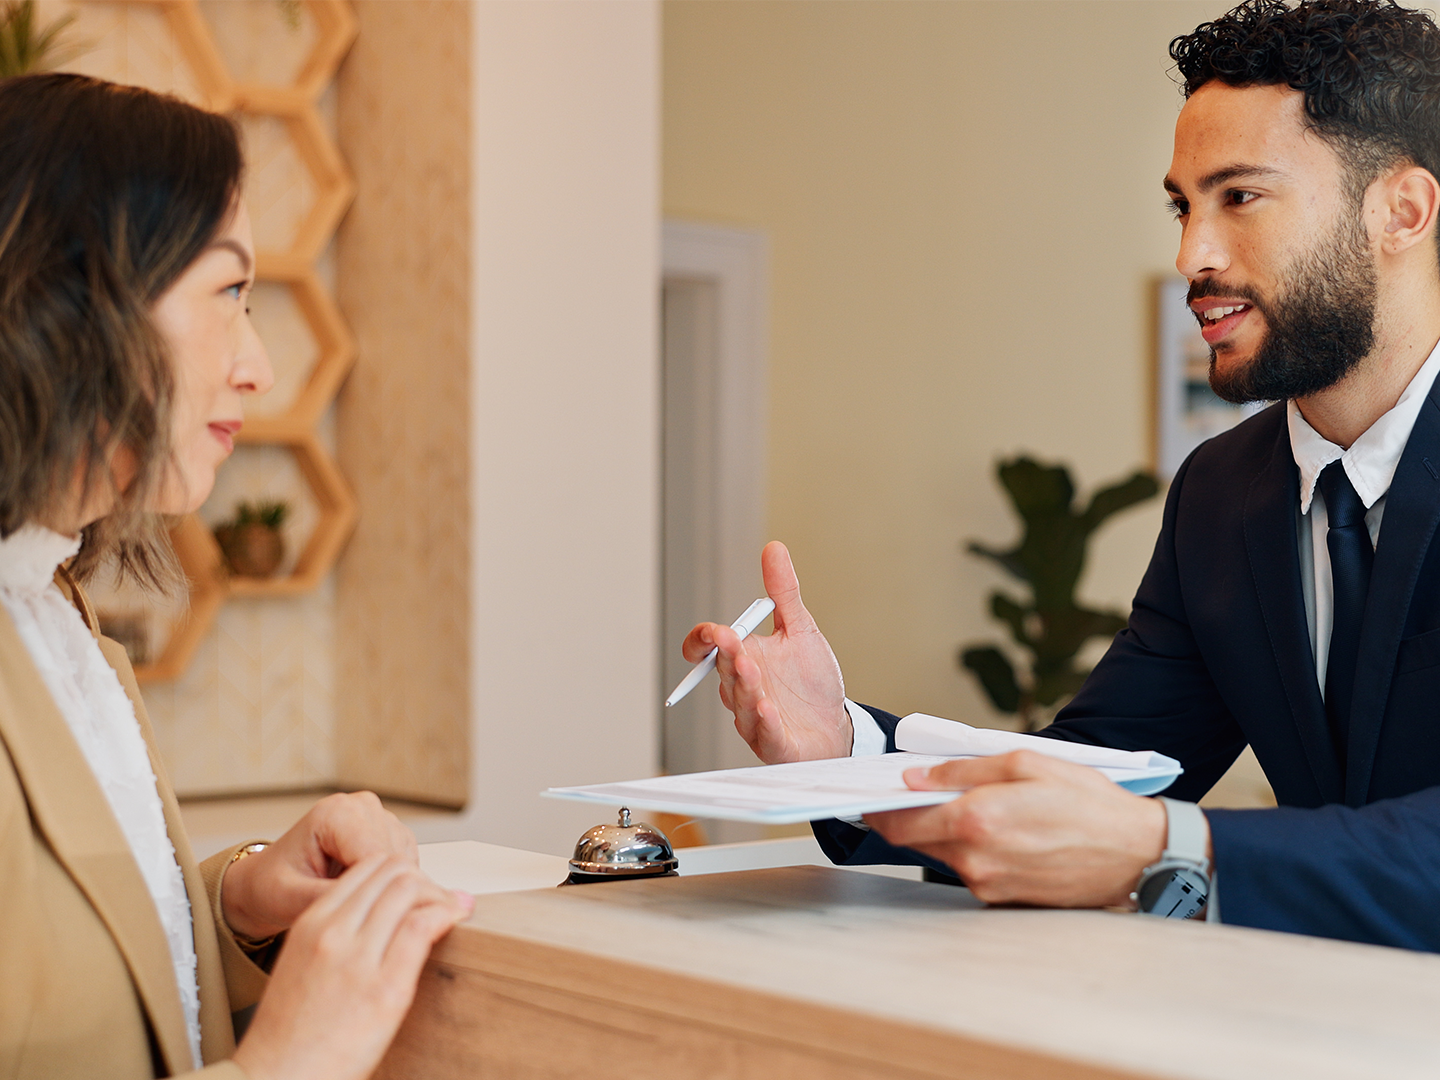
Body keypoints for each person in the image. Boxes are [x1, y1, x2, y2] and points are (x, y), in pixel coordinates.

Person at [684, 0, 1440, 951]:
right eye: (1183, 206)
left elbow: (1147, 833)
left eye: (1240, 197)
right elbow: (1094, 776)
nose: (1192, 255)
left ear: (1402, 211)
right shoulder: (1222, 493)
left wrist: (1168, 848)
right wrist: (842, 747)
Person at [0, 73, 472, 1078]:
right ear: (73, 301)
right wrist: (284, 1064)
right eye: (228, 294)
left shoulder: (52, 610)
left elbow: (71, 990)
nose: (258, 366)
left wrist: (236, 902)